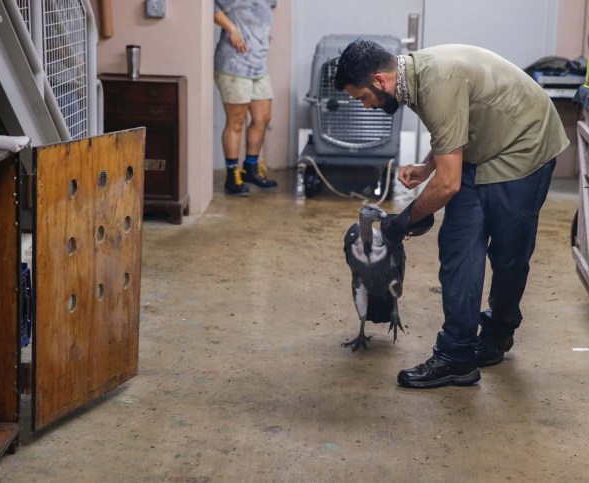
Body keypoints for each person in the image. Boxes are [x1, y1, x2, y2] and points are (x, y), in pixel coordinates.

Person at [334, 39, 569, 389]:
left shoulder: (434, 81)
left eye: (362, 98)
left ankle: (499, 331)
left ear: (380, 81)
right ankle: (455, 355)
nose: (365, 107)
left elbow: (448, 186)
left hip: (524, 146)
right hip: (480, 149)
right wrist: (429, 165)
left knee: (509, 256)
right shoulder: (411, 80)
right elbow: (456, 123)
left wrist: (399, 225)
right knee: (459, 250)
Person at [214, 0, 278, 196]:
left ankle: (250, 167)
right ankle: (232, 177)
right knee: (236, 122)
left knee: (263, 118)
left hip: (258, 64)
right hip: (234, 64)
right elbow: (211, 9)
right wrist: (232, 28)